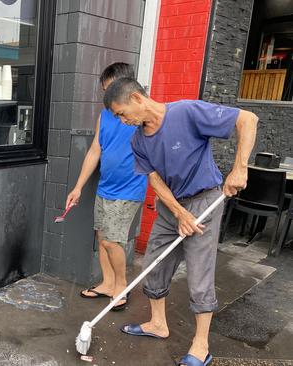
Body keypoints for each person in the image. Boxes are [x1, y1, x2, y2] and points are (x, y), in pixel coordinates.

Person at [103, 78, 258, 366]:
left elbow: (247, 119)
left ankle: (201, 345)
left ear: (137, 98)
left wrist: (239, 167)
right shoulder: (138, 140)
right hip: (171, 205)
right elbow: (153, 178)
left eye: (122, 113)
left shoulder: (186, 112)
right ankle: (158, 324)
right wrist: (178, 212)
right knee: (154, 263)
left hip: (204, 200)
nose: (123, 121)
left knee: (199, 272)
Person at [65, 63, 147, 311]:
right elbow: (95, 151)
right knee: (102, 236)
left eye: (110, 90)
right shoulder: (105, 116)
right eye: (105, 91)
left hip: (129, 188)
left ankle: (121, 286)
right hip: (105, 187)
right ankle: (108, 283)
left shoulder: (141, 115)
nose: (107, 98)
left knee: (112, 241)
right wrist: (78, 187)